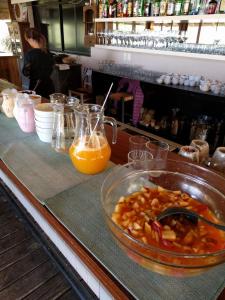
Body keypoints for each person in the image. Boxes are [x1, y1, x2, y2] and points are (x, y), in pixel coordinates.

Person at [22, 28, 55, 98]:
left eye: (28, 41)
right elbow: (51, 69)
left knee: (37, 107)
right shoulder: (48, 52)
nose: (28, 43)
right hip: (49, 86)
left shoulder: (29, 54)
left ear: (30, 39)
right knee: (49, 106)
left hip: (36, 86)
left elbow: (25, 72)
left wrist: (29, 71)